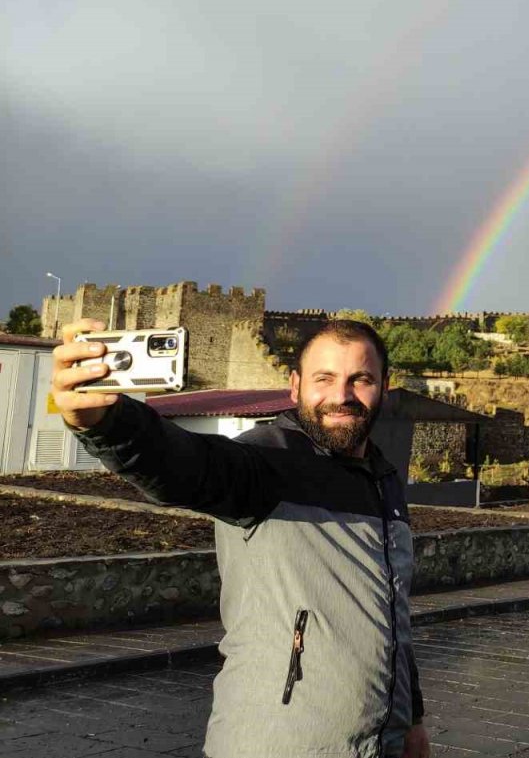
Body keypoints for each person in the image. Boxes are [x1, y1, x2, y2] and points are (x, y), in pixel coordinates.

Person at [52, 318, 430, 758]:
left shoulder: (385, 481)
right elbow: (185, 463)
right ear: (295, 386)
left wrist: (412, 720)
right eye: (323, 379)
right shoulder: (266, 461)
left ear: (384, 387)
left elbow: (391, 620)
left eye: (360, 379)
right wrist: (107, 422)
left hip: (381, 745)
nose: (342, 396)